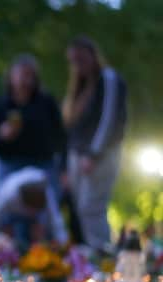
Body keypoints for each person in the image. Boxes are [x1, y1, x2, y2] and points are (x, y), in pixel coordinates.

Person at [62, 36, 127, 252]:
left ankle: (102, 254)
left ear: (92, 55)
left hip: (99, 154)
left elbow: (109, 118)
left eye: (81, 58)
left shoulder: (107, 78)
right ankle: (96, 254)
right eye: (74, 61)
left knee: (92, 208)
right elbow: (71, 128)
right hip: (78, 155)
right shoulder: (79, 90)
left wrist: (94, 153)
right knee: (82, 209)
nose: (78, 65)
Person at [0, 54, 66, 186]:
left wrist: (63, 168)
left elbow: (61, 136)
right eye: (21, 75)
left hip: (42, 165)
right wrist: (0, 135)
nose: (24, 80)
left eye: (29, 75)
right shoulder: (0, 104)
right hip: (9, 165)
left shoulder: (47, 102)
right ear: (11, 77)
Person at [0, 167, 68, 249]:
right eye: (32, 210)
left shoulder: (46, 194)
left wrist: (64, 244)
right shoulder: (7, 194)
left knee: (40, 234)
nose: (32, 212)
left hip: (36, 222)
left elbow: (56, 222)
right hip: (10, 219)